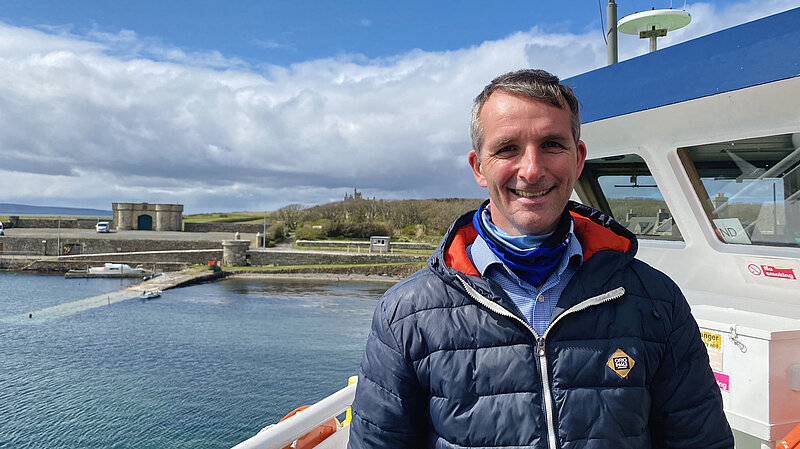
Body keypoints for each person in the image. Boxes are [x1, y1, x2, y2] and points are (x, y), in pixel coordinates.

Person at [347, 69, 733, 449]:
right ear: (479, 167)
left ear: (578, 159)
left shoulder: (654, 300)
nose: (531, 170)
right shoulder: (407, 313)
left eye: (551, 144)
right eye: (507, 149)